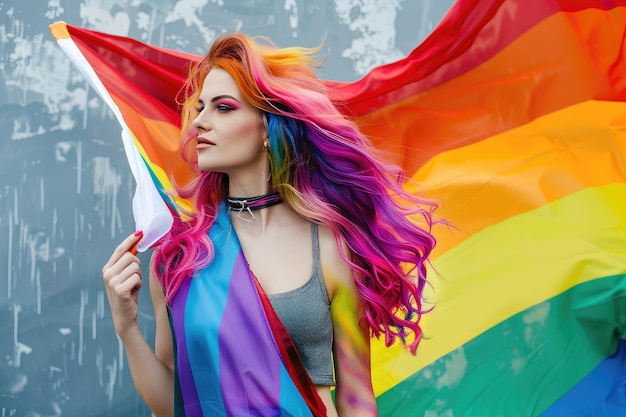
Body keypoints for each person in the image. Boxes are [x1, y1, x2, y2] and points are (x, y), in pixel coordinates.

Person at [102, 33, 437, 417]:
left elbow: (356, 396)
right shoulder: (180, 258)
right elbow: (175, 405)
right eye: (199, 108)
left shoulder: (330, 246)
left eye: (223, 108)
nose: (200, 123)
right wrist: (126, 327)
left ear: (266, 127)